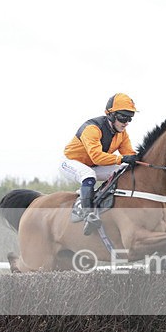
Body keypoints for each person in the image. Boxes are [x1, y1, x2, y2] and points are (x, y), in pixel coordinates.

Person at [60, 93, 139, 230]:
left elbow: (129, 155)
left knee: (124, 170)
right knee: (88, 175)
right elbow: (97, 156)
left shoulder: (122, 134)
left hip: (94, 165)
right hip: (71, 163)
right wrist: (121, 159)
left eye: (130, 118)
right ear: (111, 115)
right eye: (123, 117)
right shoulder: (92, 129)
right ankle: (88, 215)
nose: (126, 122)